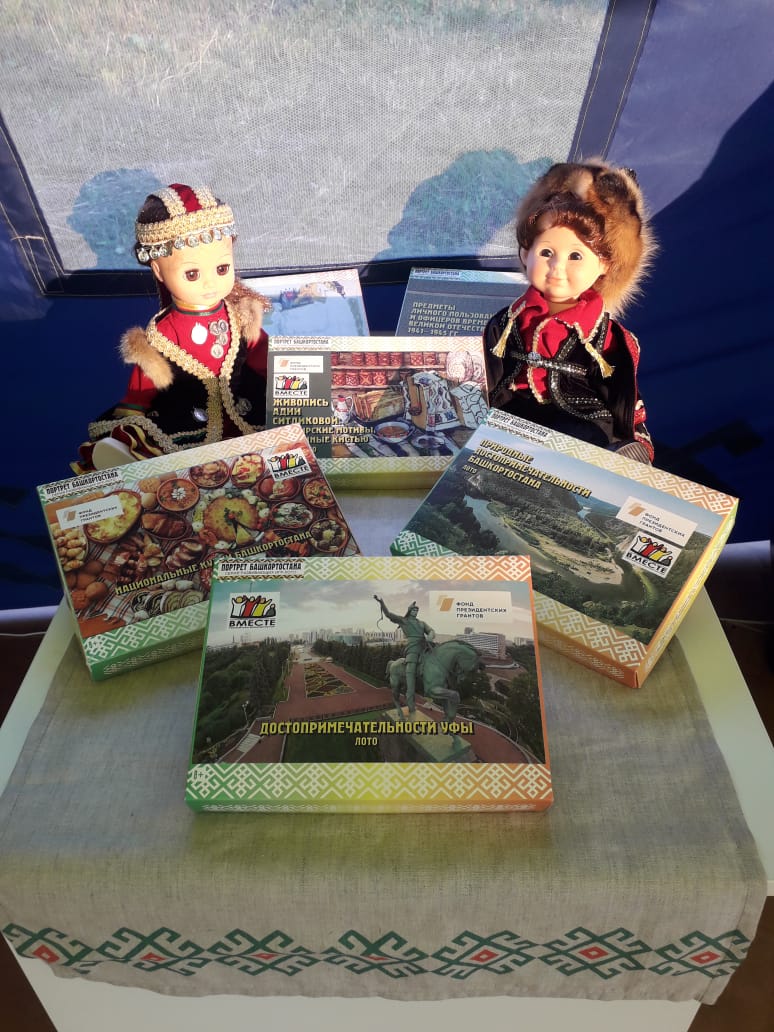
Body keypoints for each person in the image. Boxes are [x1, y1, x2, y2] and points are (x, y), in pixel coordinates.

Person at [76, 183, 271, 470]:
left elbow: (263, 357)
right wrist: (134, 408)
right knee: (145, 439)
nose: (210, 283)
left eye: (222, 269)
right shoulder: (163, 333)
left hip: (246, 404)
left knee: (285, 416)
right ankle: (128, 458)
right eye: (192, 274)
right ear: (158, 270)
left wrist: (282, 379)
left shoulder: (240, 317)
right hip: (187, 415)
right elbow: (146, 380)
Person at [484, 160, 656, 463]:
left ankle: (616, 459)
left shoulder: (605, 335)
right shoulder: (507, 322)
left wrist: (634, 435)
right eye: (546, 253)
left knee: (590, 440)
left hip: (579, 420)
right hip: (515, 416)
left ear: (604, 265)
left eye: (575, 256)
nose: (557, 267)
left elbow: (623, 393)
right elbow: (489, 374)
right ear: (525, 254)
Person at [374, 596, 435, 713]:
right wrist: (382, 602)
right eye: (414, 610)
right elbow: (388, 614)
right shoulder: (403, 621)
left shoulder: (422, 623)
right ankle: (410, 701)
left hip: (425, 648)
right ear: (409, 611)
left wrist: (430, 637)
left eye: (417, 610)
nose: (416, 612)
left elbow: (431, 630)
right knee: (411, 673)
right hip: (412, 651)